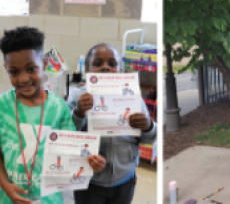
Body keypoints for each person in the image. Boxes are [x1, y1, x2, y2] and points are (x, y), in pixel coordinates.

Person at [0, 27, 106, 204]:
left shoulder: (58, 108)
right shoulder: (2, 106)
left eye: (31, 69)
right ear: (6, 69)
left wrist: (91, 161)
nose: (24, 79)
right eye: (14, 72)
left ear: (44, 64)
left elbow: (72, 151)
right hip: (9, 198)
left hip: (50, 199)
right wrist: (5, 185)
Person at [68, 43, 156, 204]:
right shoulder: (77, 97)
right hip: (88, 181)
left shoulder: (133, 98)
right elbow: (66, 135)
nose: (105, 67)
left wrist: (148, 126)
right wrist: (78, 113)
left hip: (125, 179)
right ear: (87, 70)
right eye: (97, 63)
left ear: (121, 71)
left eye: (112, 64)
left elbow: (149, 139)